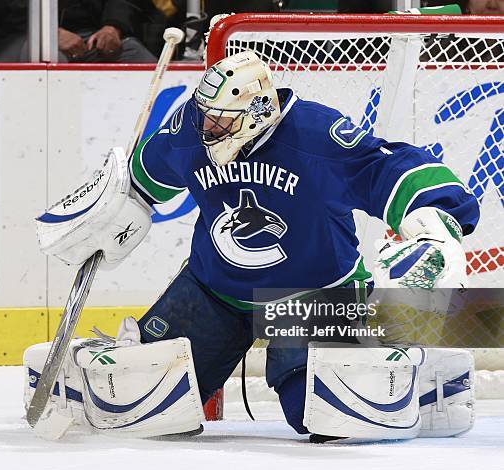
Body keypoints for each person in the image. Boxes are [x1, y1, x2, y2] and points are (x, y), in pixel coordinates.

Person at [36, 51, 479, 439]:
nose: (207, 129)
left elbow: (391, 167)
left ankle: (423, 382)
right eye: (205, 116)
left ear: (257, 111)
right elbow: (145, 174)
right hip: (213, 289)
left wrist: (434, 220)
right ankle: (85, 372)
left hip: (312, 296)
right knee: (144, 403)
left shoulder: (317, 137)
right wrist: (116, 199)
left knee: (332, 414)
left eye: (220, 121)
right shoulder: (193, 128)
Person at [0, 0, 156, 63]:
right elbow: (6, 7)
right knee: (48, 62)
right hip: (30, 34)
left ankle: (155, 135)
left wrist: (114, 27)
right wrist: (49, 31)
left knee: (139, 57)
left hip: (95, 36)